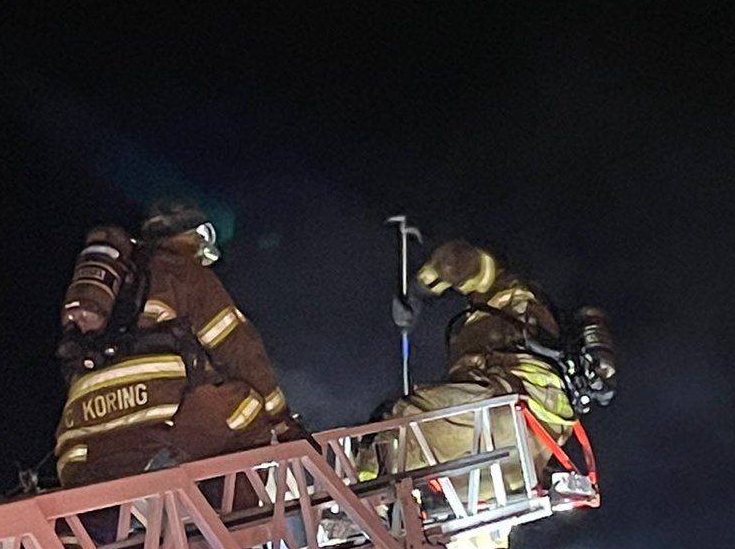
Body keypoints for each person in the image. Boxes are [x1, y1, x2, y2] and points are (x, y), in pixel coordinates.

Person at [54, 200, 302, 489]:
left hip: (80, 445)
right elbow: (239, 349)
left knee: (98, 519)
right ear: (194, 236)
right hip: (159, 426)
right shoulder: (183, 270)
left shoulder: (120, 283)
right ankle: (233, 521)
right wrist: (282, 420)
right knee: (247, 413)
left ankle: (120, 523)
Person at [359, 237, 615, 488]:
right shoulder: (540, 322)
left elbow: (454, 261)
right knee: (465, 501)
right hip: (530, 444)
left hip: (507, 403)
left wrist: (417, 290)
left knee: (395, 421)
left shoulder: (506, 289)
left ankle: (359, 497)